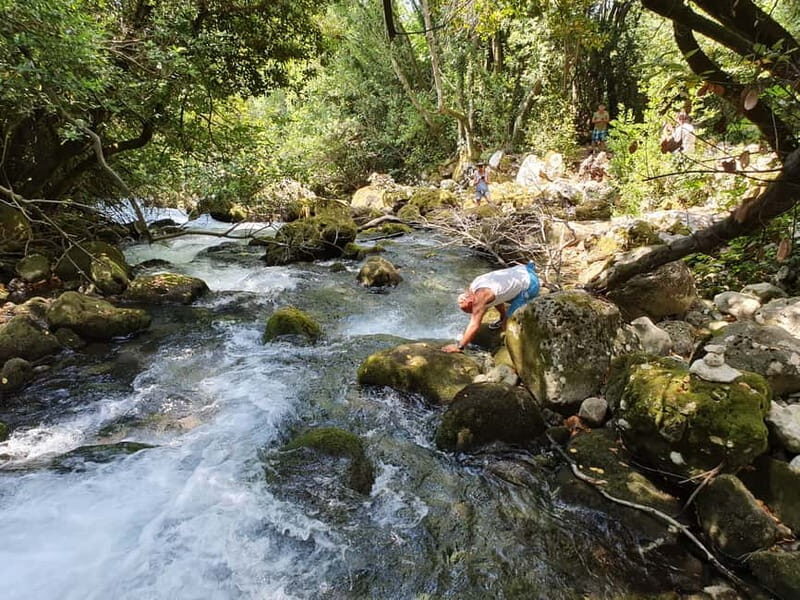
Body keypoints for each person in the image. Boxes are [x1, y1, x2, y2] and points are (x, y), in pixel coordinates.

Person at [442, 262, 540, 353]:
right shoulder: (474, 285)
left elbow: (474, 325)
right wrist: (502, 315)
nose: (472, 312)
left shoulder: (480, 298)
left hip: (531, 285)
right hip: (524, 269)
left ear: (471, 302)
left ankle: (514, 347)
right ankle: (503, 318)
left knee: (507, 323)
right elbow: (496, 298)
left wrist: (459, 346)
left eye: (471, 310)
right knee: (503, 316)